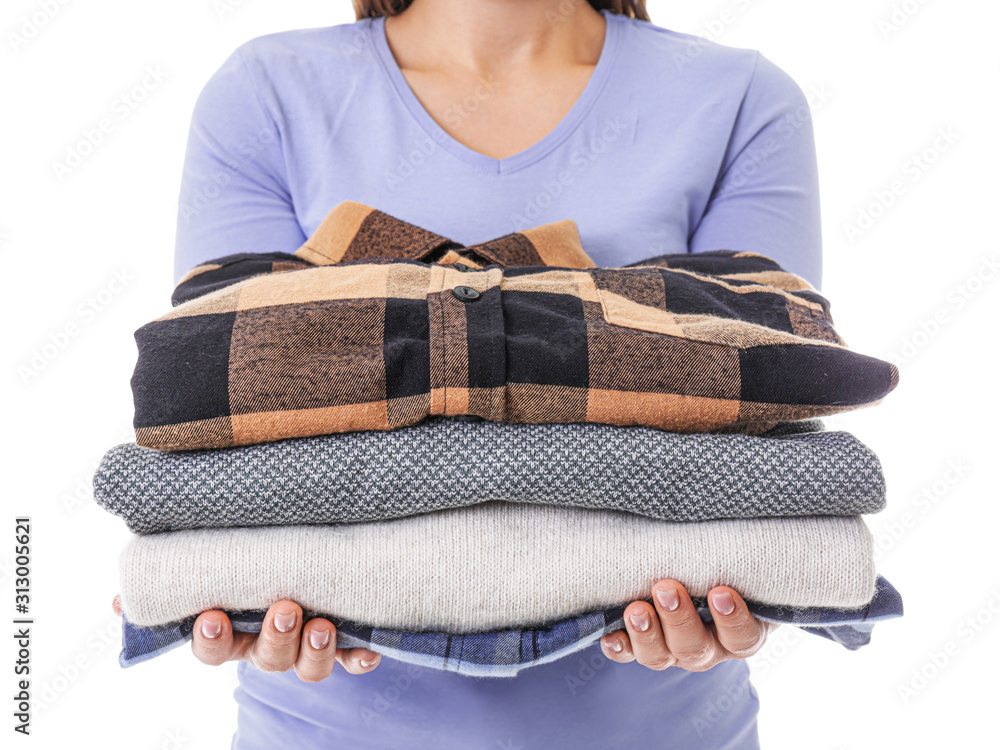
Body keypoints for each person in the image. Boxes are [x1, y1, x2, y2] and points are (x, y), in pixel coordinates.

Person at [112, 0, 823, 746]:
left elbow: (768, 410)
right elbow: (221, 396)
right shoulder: (267, 91)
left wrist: (746, 597)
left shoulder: (737, 99)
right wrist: (236, 595)